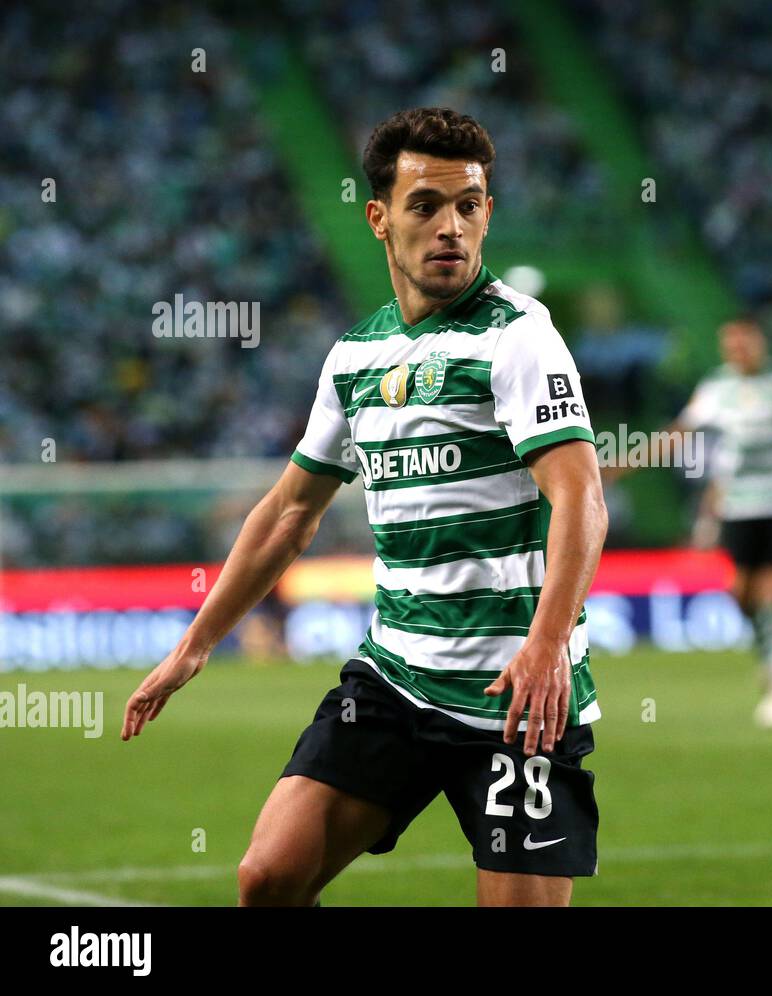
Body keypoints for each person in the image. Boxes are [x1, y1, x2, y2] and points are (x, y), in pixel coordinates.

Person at [122, 107, 608, 906]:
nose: (451, 226)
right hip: (395, 681)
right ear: (380, 218)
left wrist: (549, 642)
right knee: (268, 877)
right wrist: (196, 644)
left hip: (516, 697)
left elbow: (581, 497)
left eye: (469, 206)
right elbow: (288, 514)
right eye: (426, 207)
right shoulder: (355, 356)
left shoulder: (518, 338)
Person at [613, 317, 772, 729]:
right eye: (731, 345)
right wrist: (624, 464)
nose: (738, 351)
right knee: (741, 591)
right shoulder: (718, 388)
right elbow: (678, 433)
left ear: (760, 342)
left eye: (744, 343)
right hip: (737, 504)